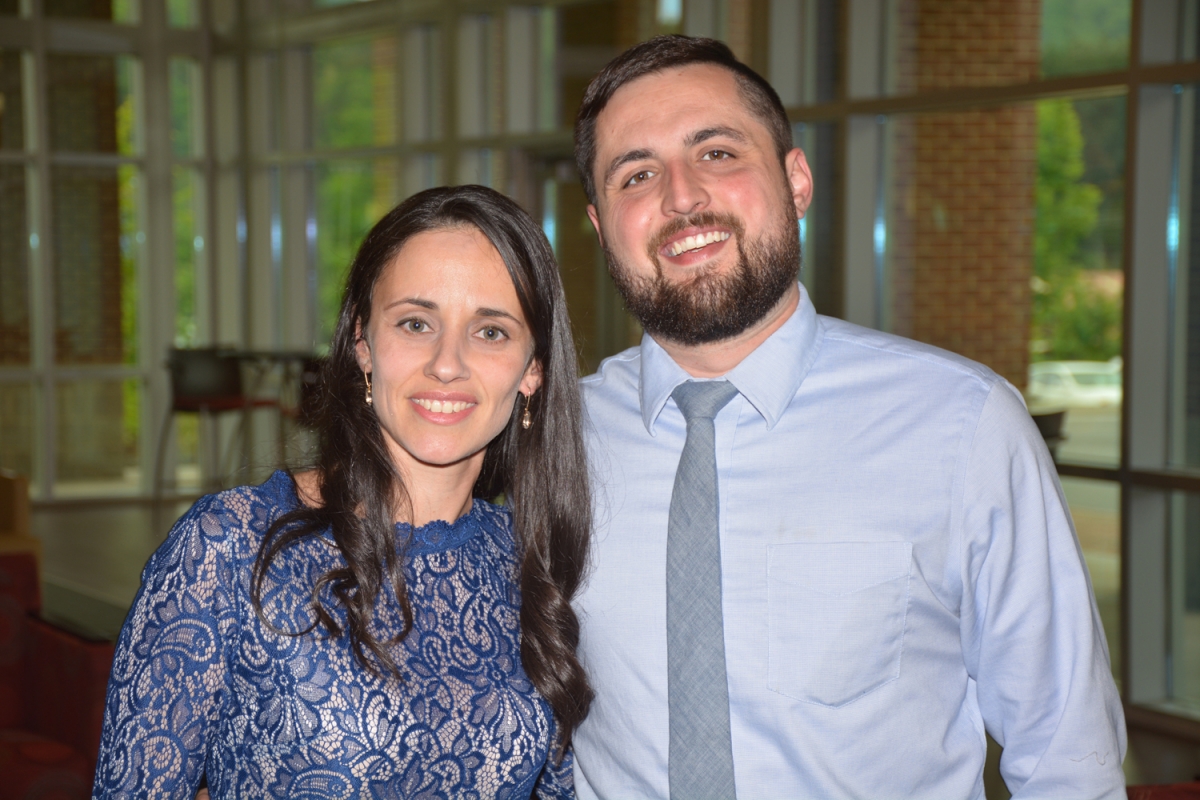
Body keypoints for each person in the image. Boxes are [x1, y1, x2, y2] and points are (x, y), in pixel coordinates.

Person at [571, 35, 1126, 799]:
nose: (681, 197)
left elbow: (1068, 757)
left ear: (796, 180)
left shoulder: (962, 426)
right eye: (637, 173)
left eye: (719, 153)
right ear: (602, 227)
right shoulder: (553, 439)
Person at [93, 185, 593, 798]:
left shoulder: (532, 567)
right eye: (416, 323)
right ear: (363, 343)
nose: (446, 363)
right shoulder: (229, 549)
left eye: (490, 332)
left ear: (534, 368)